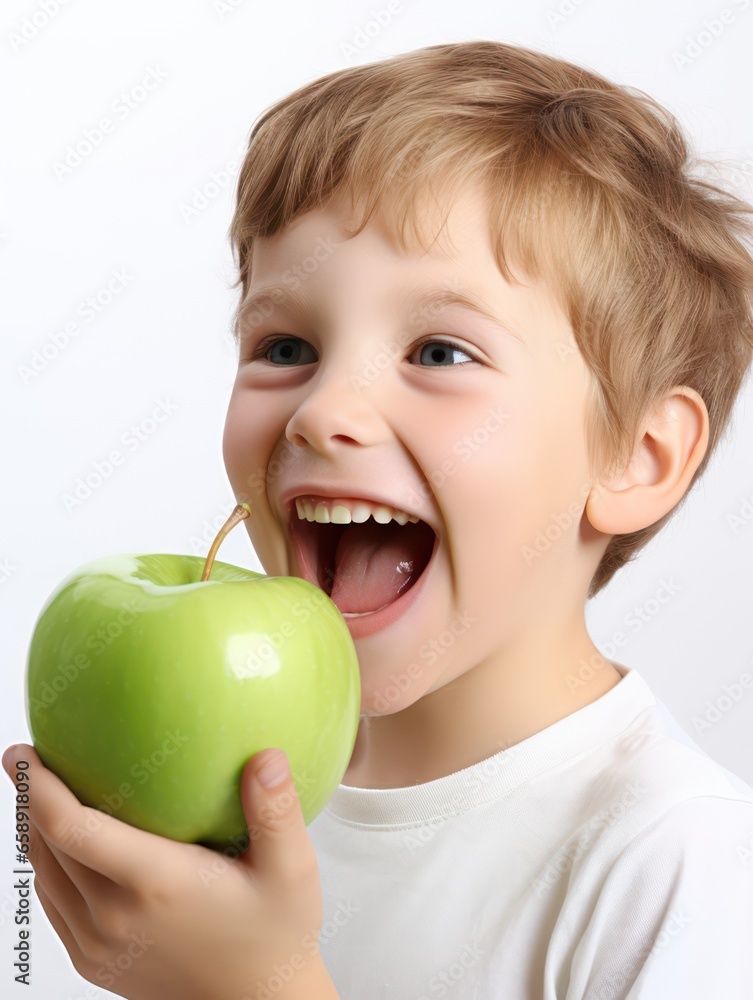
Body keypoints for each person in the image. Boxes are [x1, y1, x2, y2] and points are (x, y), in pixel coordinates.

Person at [5, 39, 753, 999]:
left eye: (439, 353)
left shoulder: (680, 867)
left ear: (637, 457)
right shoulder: (220, 790)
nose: (321, 411)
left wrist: (258, 986)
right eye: (286, 346)